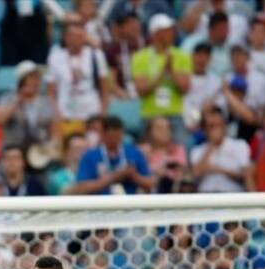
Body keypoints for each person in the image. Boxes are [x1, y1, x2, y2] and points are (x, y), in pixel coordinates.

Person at [131, 14, 192, 145]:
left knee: (184, 147)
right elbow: (141, 90)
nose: (172, 33)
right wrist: (163, 72)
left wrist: (172, 71)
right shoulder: (140, 57)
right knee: (145, 151)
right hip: (150, 113)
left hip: (174, 113)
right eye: (167, 30)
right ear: (156, 33)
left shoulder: (182, 56)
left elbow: (185, 88)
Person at [47, 20, 110, 135]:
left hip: (92, 114)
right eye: (74, 36)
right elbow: (51, 92)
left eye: (81, 36)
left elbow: (105, 90)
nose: (78, 39)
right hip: (66, 115)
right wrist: (57, 114)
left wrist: (102, 116)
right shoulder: (55, 57)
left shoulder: (96, 55)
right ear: (66, 37)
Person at [73, 115, 153, 195]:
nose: (115, 141)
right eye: (111, 137)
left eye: (118, 137)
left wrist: (134, 176)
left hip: (129, 204)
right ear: (103, 134)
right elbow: (81, 187)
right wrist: (113, 177)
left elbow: (150, 184)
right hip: (100, 204)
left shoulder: (134, 153)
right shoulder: (90, 156)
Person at [0, 60, 55, 151]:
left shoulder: (44, 101)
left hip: (38, 151)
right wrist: (19, 99)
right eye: (31, 78)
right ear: (21, 81)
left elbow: (53, 129)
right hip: (14, 149)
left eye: (37, 78)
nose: (35, 82)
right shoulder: (8, 98)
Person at [190, 107, 250, 193]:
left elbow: (245, 176)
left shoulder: (240, 145)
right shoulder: (197, 150)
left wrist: (218, 170)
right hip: (206, 196)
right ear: (204, 129)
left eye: (219, 125)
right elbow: (195, 174)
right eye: (211, 126)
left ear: (225, 125)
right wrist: (211, 145)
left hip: (232, 195)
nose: (216, 130)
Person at [139, 116, 188, 194]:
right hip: (149, 192)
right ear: (149, 131)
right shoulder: (142, 151)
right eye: (159, 128)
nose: (164, 131)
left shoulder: (178, 150)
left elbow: (181, 172)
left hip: (173, 192)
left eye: (167, 128)